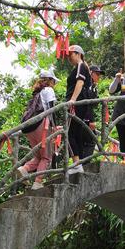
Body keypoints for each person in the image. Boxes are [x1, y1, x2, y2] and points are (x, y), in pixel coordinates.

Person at [18, 69, 59, 189]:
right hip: (42, 126)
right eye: (54, 81)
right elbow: (52, 109)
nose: (54, 84)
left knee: (39, 156)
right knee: (46, 156)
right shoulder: (48, 90)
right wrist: (55, 126)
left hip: (30, 127)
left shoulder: (37, 93)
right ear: (50, 80)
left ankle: (24, 169)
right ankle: (38, 182)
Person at [65, 44, 92, 174]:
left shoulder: (81, 65)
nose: (69, 57)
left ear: (78, 54)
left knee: (69, 133)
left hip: (76, 104)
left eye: (71, 54)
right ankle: (78, 164)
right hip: (78, 104)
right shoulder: (79, 67)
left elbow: (80, 83)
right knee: (75, 134)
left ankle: (76, 164)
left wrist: (73, 100)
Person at [81, 65, 103, 162]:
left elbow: (93, 103)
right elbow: (86, 103)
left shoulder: (93, 86)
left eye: (99, 74)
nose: (98, 76)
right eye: (97, 74)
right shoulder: (87, 84)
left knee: (85, 141)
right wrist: (90, 121)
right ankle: (83, 165)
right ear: (90, 72)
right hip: (84, 117)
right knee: (90, 141)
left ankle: (81, 164)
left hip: (85, 117)